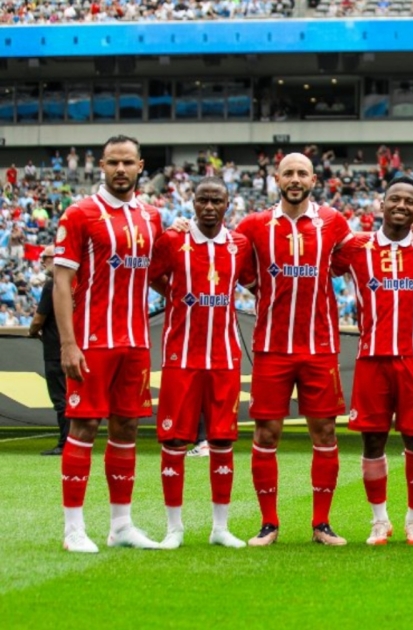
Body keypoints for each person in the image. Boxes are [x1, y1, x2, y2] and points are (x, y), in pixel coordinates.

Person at [235, 152, 354, 547]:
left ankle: (322, 524)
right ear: (277, 178)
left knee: (325, 431)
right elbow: (237, 265)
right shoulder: (254, 225)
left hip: (320, 347)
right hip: (272, 348)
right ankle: (268, 524)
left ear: (314, 180)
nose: (295, 179)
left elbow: (346, 260)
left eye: (302, 173)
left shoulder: (333, 222)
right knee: (267, 433)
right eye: (289, 173)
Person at [54, 135, 162, 552]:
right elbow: (61, 281)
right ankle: (73, 530)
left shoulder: (151, 217)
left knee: (127, 426)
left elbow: (158, 273)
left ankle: (121, 526)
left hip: (135, 342)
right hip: (92, 342)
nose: (120, 169)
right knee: (83, 425)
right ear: (101, 165)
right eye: (113, 162)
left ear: (140, 166)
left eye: (127, 162)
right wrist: (68, 344)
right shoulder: (80, 213)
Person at [332, 177, 413, 546]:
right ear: (381, 204)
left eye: (409, 201)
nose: (401, 205)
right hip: (371, 360)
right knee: (373, 440)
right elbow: (317, 258)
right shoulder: (356, 247)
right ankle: (379, 521)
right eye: (394, 199)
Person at [147, 177, 253, 549]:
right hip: (182, 357)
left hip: (224, 357)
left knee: (221, 440)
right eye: (203, 200)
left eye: (216, 201)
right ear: (192, 203)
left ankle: (220, 528)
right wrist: (176, 294)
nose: (209, 207)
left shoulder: (240, 245)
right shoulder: (172, 240)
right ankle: (174, 528)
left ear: (227, 204)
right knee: (175, 439)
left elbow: (253, 281)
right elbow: (151, 274)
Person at [29, 246, 66, 456]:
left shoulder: (52, 284)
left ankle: (65, 443)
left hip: (55, 349)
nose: (42, 261)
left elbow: (38, 319)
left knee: (61, 398)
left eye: (46, 257)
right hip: (78, 347)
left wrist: (33, 331)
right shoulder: (77, 282)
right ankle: (78, 441)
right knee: (74, 397)